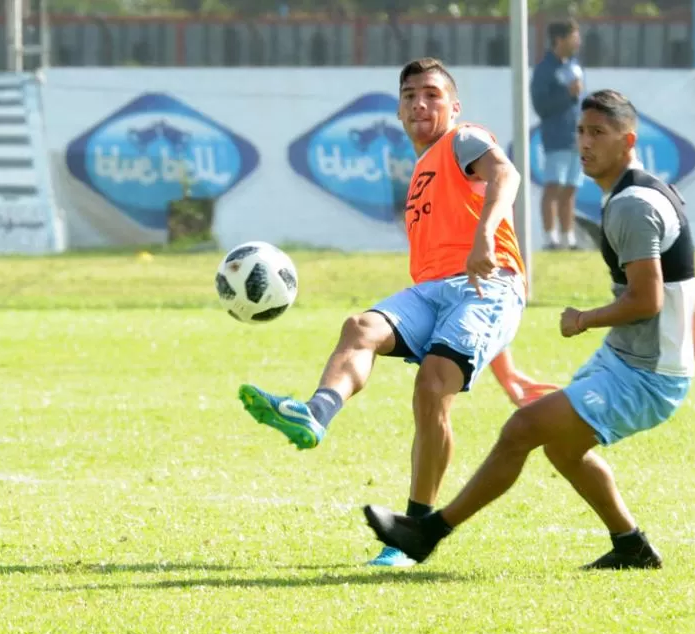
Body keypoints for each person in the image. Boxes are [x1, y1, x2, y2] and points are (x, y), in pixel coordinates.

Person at [363, 89, 695, 570]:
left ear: (627, 141)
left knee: (521, 429)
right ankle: (630, 546)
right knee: (565, 450)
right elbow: (682, 285)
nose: (585, 143)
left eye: (598, 133)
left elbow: (649, 299)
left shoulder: (632, 206)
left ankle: (427, 532)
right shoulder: (651, 190)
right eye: (581, 132)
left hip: (648, 373)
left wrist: (583, 319)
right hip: (629, 359)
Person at [238, 58, 557, 568]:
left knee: (432, 384)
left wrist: (484, 238)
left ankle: (409, 534)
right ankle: (315, 415)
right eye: (410, 95)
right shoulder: (420, 176)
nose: (419, 103)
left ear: (454, 106)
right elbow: (469, 321)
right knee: (360, 327)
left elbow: (507, 173)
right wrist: (508, 370)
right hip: (437, 292)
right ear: (399, 109)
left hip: (488, 282)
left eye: (432, 94)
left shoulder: (463, 139)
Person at [531, 18, 585, 250]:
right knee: (553, 186)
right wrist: (567, 93)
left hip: (577, 136)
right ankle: (550, 237)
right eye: (574, 36)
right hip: (556, 136)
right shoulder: (545, 69)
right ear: (559, 40)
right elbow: (540, 104)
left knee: (571, 187)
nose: (578, 41)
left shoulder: (575, 65)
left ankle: (568, 237)